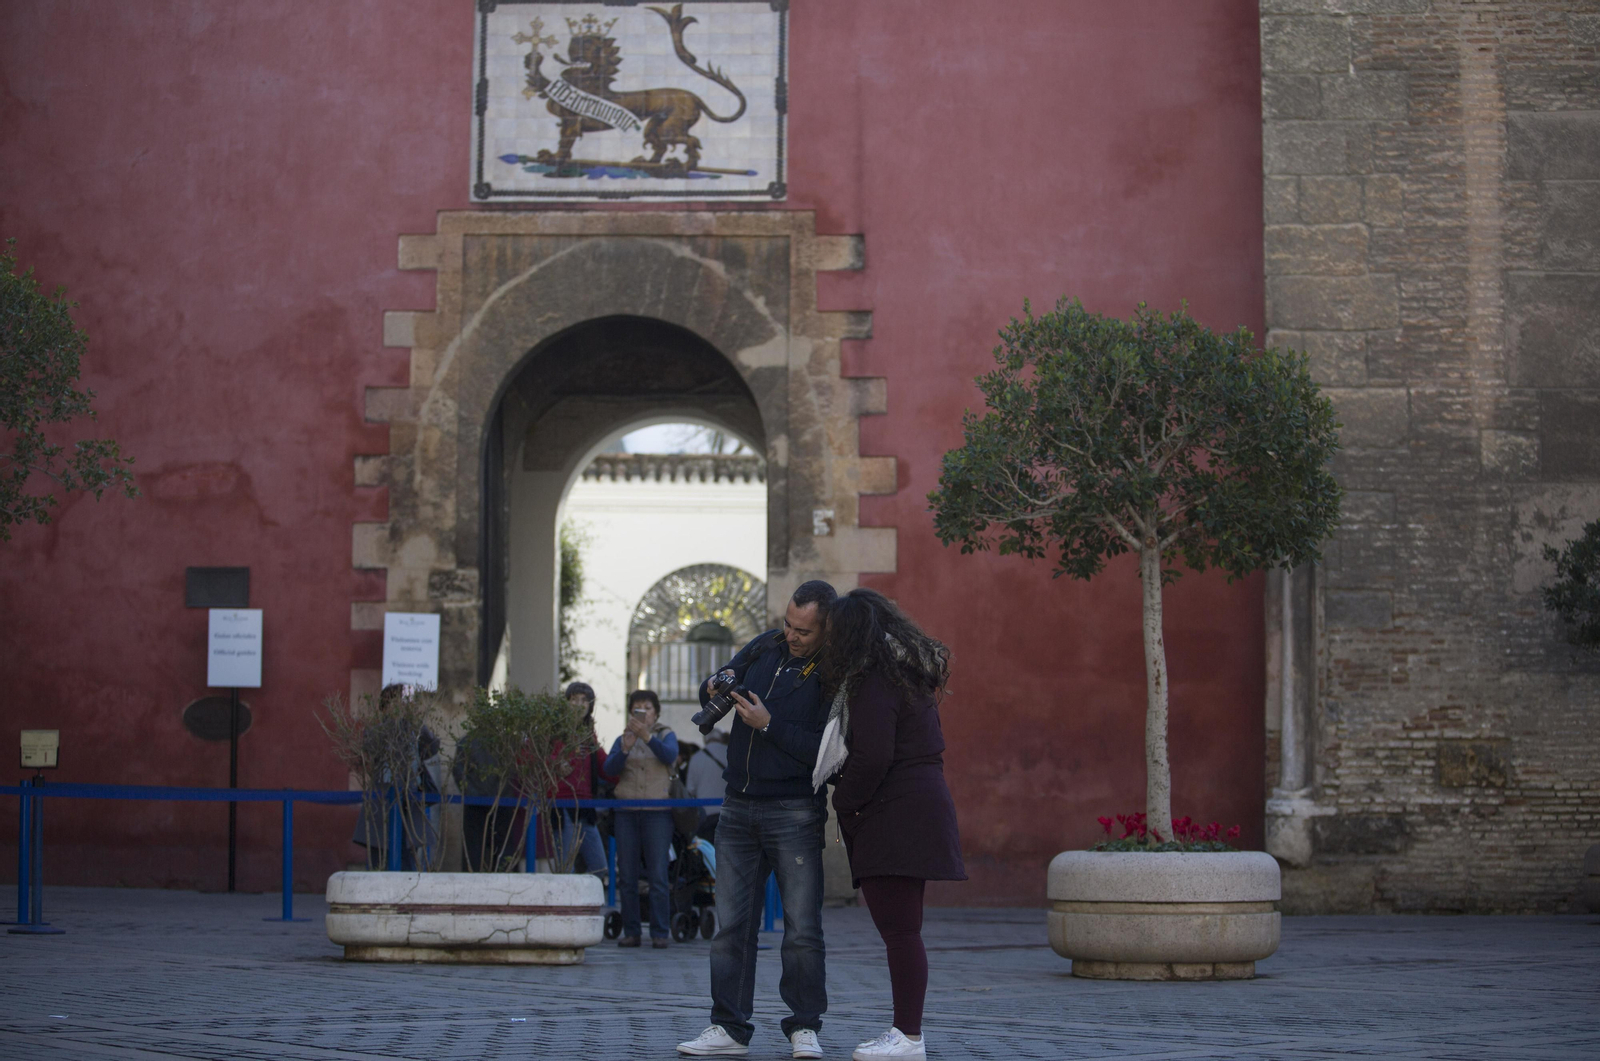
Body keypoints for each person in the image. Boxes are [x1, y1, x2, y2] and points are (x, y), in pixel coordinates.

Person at [678, 580, 836, 1061]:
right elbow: (723, 677)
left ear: (825, 628)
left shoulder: (834, 671)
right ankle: (728, 1026)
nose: (790, 635)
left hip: (794, 810)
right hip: (738, 807)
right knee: (731, 927)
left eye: (802, 631)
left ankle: (805, 1027)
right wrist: (714, 684)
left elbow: (825, 754)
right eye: (788, 624)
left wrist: (767, 724)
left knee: (802, 928)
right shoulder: (764, 644)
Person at [819, 589, 965, 1061]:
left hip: (894, 813)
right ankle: (907, 1034)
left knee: (901, 932)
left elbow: (874, 755)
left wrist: (846, 801)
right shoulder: (907, 674)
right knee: (905, 929)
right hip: (917, 806)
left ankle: (908, 1036)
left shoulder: (874, 679)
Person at [603, 689, 678, 948]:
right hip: (626, 812)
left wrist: (647, 737)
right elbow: (609, 770)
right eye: (638, 708)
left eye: (647, 707)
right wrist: (624, 749)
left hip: (658, 813)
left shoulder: (666, 735)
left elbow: (670, 756)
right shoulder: (623, 738)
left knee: (658, 874)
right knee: (627, 874)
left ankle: (660, 932)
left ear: (655, 713)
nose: (643, 712)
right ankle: (631, 931)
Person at [552, 681, 613, 876]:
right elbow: (539, 758)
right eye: (574, 700)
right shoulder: (555, 731)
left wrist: (625, 755)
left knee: (600, 867)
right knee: (565, 868)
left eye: (584, 701)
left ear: (590, 706)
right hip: (562, 804)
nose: (579, 705)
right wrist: (555, 764)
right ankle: (567, 905)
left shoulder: (589, 735)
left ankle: (581, 901)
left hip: (585, 807)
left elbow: (606, 767)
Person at [684, 727, 729, 842]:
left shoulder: (696, 758)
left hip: (705, 813)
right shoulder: (731, 754)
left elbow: (690, 790)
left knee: (708, 852)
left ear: (705, 740)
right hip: (730, 812)